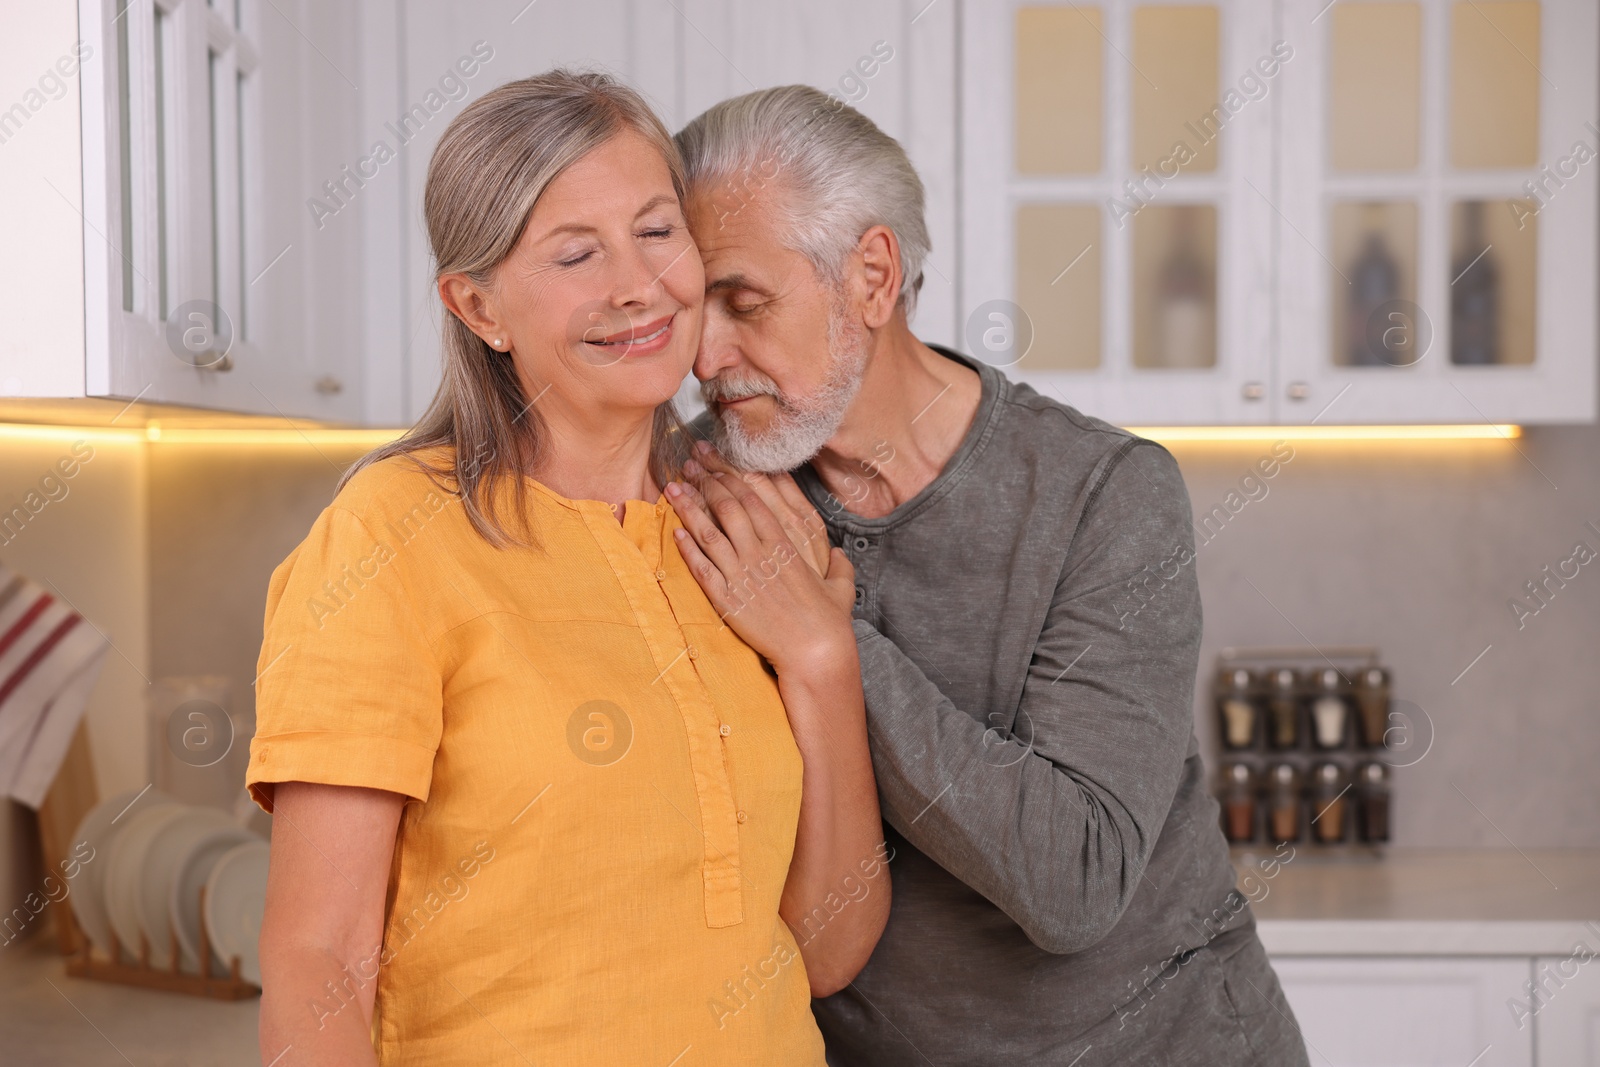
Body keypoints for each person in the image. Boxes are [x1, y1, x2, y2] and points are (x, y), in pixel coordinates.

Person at [247, 71, 888, 1067]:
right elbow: (317, 956)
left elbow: (825, 948)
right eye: (575, 253)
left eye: (656, 230)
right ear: (479, 306)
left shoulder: (750, 526)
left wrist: (820, 655)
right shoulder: (392, 536)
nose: (638, 284)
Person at [670, 85, 1313, 1065]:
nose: (703, 354)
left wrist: (825, 636)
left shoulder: (1104, 495)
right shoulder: (703, 490)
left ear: (871, 278)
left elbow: (1077, 882)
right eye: (688, 306)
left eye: (743, 301)